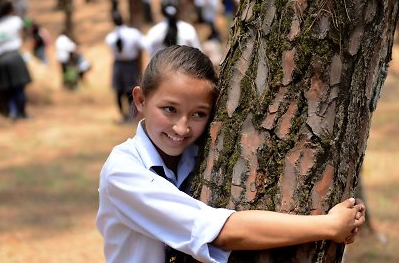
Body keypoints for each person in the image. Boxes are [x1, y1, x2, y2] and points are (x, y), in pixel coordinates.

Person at [96, 45, 366, 263]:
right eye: (169, 109)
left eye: (198, 114)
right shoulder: (123, 172)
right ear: (140, 100)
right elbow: (221, 232)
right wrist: (328, 227)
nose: (182, 127)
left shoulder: (197, 155)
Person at [0, 0, 32, 120]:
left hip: (1, 59)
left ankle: (12, 112)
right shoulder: (15, 21)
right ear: (11, 11)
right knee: (19, 88)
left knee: (8, 88)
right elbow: (27, 23)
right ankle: (21, 113)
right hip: (14, 56)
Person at [105, 11, 145, 123]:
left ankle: (129, 116)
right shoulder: (132, 33)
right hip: (127, 64)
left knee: (127, 91)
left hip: (123, 64)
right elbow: (141, 46)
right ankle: (127, 116)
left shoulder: (110, 37)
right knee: (124, 91)